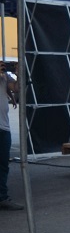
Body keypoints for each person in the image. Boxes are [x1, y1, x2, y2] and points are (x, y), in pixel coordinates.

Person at [0, 62, 22, 210]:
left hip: (3, 125)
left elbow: (17, 89)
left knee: (2, 164)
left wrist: (19, 73)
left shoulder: (4, 76)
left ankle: (2, 197)